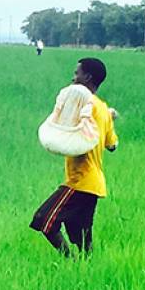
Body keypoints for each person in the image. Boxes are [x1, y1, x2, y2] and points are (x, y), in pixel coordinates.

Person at [29, 57, 117, 258]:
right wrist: (109, 115)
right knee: (82, 238)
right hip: (94, 185)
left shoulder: (83, 103)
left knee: (44, 220)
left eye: (77, 73)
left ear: (88, 77)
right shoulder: (102, 108)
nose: (73, 77)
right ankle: (87, 269)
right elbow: (112, 145)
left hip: (80, 182)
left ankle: (69, 261)